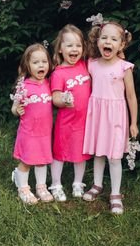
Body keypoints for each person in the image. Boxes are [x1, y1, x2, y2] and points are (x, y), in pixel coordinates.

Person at [83, 20, 138, 214]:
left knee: (114, 157)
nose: (108, 42)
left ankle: (115, 193)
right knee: (98, 153)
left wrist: (134, 122)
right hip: (97, 114)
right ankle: (97, 184)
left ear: (121, 45)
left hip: (115, 117)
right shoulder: (92, 64)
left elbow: (131, 96)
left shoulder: (124, 68)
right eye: (104, 37)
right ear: (98, 41)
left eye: (114, 39)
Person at [49, 24, 91, 201]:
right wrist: (63, 100)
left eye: (78, 45)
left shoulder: (85, 65)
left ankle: (77, 183)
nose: (74, 49)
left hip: (84, 122)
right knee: (59, 154)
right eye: (69, 45)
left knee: (80, 154)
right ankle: (56, 184)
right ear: (60, 48)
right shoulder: (59, 73)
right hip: (65, 122)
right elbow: (55, 97)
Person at [11, 43, 54, 204]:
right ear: (27, 66)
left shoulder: (49, 84)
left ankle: (41, 186)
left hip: (44, 132)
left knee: (42, 160)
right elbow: (14, 108)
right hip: (28, 132)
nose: (41, 65)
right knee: (26, 161)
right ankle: (22, 187)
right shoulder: (23, 86)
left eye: (44, 61)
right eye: (35, 62)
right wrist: (18, 110)